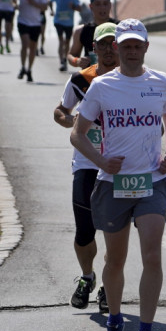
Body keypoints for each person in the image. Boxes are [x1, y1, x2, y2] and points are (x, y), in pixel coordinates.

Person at [70, 19, 166, 331]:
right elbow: (77, 133)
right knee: (115, 260)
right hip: (114, 185)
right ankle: (115, 325)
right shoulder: (102, 86)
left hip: (151, 182)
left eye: (137, 45)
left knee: (152, 257)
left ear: (146, 47)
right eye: (126, 46)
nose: (132, 51)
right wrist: (101, 161)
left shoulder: (160, 83)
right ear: (116, 49)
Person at [53, 22, 118, 314]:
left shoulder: (132, 81)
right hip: (86, 163)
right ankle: (87, 277)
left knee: (115, 233)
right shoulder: (81, 80)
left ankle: (107, 286)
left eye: (114, 43)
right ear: (94, 48)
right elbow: (60, 111)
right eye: (102, 44)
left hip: (119, 167)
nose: (108, 49)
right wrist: (71, 121)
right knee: (84, 232)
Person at [68, 0, 115, 71]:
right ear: (91, 6)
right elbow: (71, 55)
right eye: (98, 4)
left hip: (116, 79)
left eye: (105, 3)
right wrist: (78, 61)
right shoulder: (81, 31)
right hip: (90, 79)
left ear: (110, 5)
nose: (102, 7)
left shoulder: (120, 27)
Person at [14, 0, 49, 81]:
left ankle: (29, 69)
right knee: (25, 44)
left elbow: (44, 7)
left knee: (33, 47)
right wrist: (15, 5)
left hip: (35, 23)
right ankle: (22, 67)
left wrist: (34, 3)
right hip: (22, 21)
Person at [49, 0, 84, 71]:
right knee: (61, 41)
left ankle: (65, 58)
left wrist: (73, 7)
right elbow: (49, 2)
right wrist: (52, 11)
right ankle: (62, 61)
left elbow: (80, 8)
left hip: (69, 23)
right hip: (58, 22)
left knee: (67, 42)